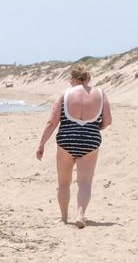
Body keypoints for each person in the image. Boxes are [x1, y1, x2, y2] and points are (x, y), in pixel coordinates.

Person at [36, 64, 114, 227]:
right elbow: (107, 121)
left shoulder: (65, 94)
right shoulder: (100, 94)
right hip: (90, 141)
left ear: (72, 78)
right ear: (88, 78)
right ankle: (80, 215)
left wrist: (42, 143)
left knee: (64, 182)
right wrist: (94, 128)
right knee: (85, 183)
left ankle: (64, 218)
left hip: (66, 140)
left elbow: (52, 122)